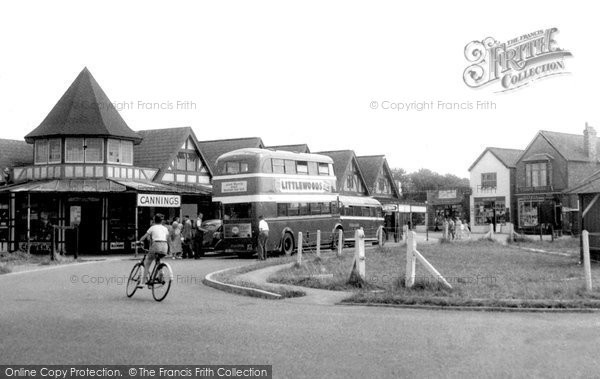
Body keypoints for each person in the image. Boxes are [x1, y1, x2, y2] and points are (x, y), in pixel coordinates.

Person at [138, 214, 169, 285]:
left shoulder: (152, 227)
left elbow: (145, 237)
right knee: (158, 259)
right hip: (165, 246)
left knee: (148, 262)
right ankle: (160, 274)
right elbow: (167, 238)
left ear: (154, 220)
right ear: (162, 221)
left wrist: (139, 242)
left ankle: (142, 283)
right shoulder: (165, 228)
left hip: (156, 245)